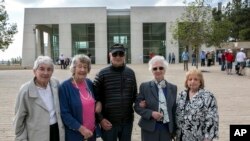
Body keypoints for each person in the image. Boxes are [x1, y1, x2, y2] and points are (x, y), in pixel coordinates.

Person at [13, 56, 65, 141]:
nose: (45, 72)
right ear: (34, 71)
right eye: (41, 69)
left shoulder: (55, 84)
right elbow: (19, 119)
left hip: (56, 130)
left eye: (49, 69)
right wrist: (21, 138)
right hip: (37, 134)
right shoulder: (25, 90)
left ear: (52, 72)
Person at [93, 43, 137, 141]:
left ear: (124, 55)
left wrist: (143, 102)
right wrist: (101, 119)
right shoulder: (101, 74)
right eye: (115, 54)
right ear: (110, 55)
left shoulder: (130, 73)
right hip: (108, 122)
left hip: (127, 122)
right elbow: (95, 99)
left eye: (121, 54)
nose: (118, 57)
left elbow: (134, 96)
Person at [59, 54, 102, 141]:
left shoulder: (89, 83)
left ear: (88, 69)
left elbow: (96, 98)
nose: (82, 69)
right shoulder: (65, 87)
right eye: (79, 66)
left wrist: (99, 102)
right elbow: (64, 113)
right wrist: (82, 129)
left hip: (91, 133)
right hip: (75, 135)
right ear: (74, 68)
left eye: (85, 67)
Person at [134, 55, 177, 141]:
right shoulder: (144, 87)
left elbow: (173, 110)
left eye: (161, 68)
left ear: (165, 69)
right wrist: (151, 113)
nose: (158, 70)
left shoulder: (173, 88)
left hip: (166, 130)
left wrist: (174, 130)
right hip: (149, 129)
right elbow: (137, 107)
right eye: (155, 68)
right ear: (151, 70)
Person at [176, 69, 219, 141]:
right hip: (181, 137)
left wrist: (208, 137)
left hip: (199, 137)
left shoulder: (208, 96)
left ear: (200, 82)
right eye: (190, 79)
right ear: (187, 82)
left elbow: (212, 118)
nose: (192, 81)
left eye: (196, 79)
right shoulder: (181, 95)